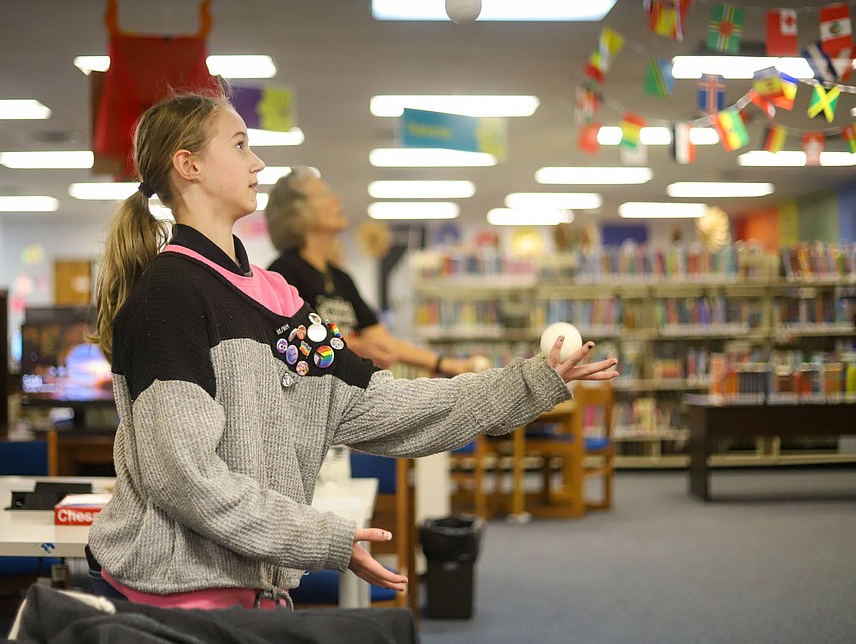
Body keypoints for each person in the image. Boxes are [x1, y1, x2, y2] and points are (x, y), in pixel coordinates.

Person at [87, 90, 618, 612]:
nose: (258, 161)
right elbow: (184, 477)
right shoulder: (168, 295)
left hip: (254, 596)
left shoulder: (278, 297)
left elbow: (377, 404)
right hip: (176, 599)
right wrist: (322, 537)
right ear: (189, 165)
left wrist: (532, 381)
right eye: (240, 144)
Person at [266, 167, 478, 376]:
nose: (336, 200)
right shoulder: (282, 274)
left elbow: (381, 340)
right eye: (323, 195)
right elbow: (295, 340)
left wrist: (445, 364)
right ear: (296, 212)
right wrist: (356, 347)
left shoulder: (340, 277)